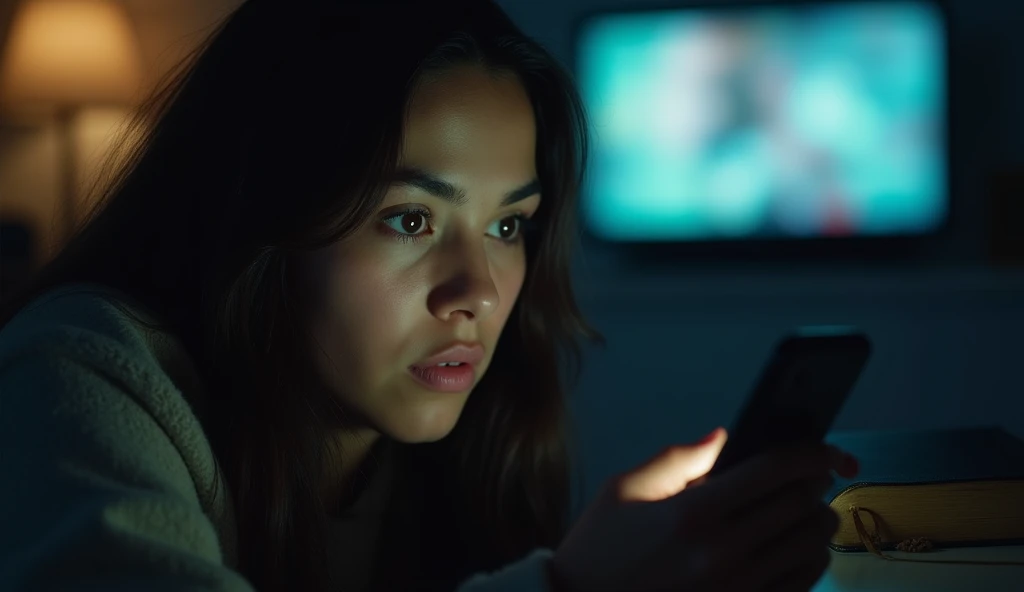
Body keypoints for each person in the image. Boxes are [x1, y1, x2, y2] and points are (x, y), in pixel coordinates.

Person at [0, 0, 859, 590]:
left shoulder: (474, 438)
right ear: (263, 211)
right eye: (411, 221)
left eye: (507, 226)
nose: (477, 293)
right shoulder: (74, 380)